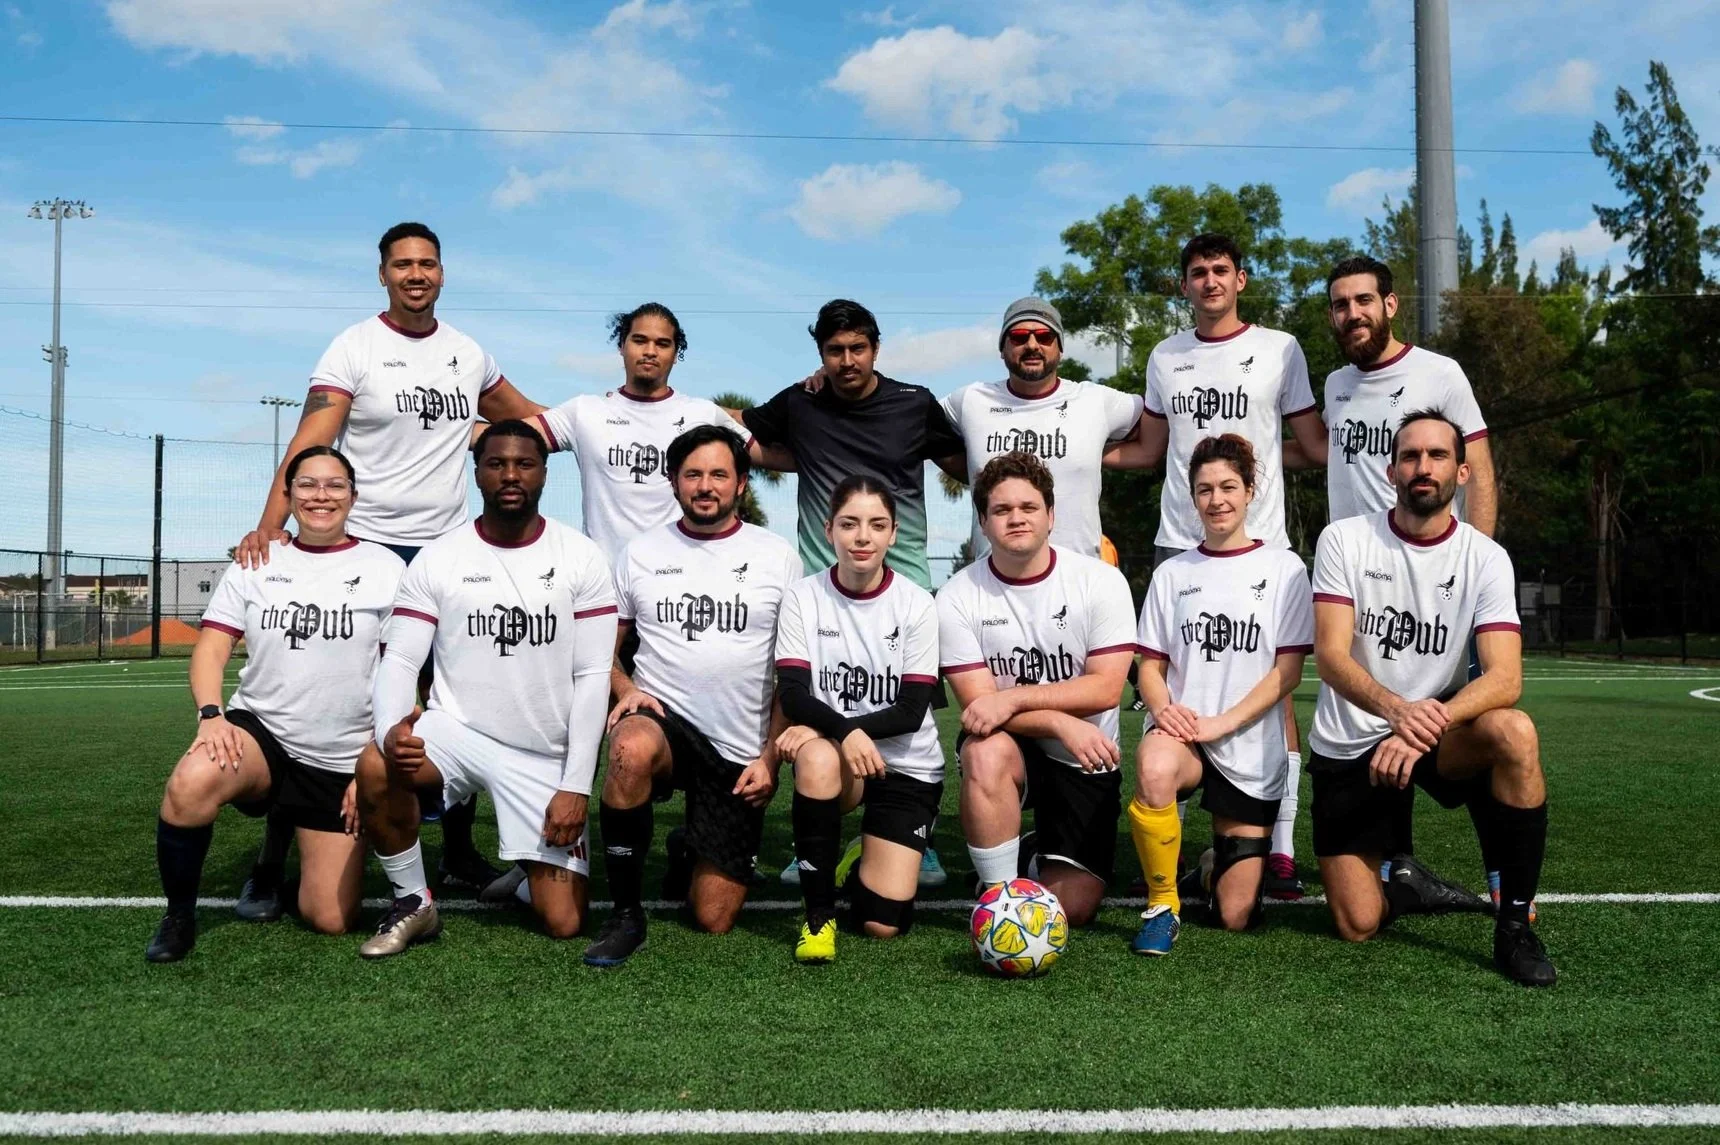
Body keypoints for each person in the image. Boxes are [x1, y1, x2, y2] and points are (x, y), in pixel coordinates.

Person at [230, 222, 548, 914]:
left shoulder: (468, 354)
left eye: (426, 263)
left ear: (443, 272)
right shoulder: (355, 346)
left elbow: (528, 421)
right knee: (326, 701)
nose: (415, 274)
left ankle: (457, 852)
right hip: (366, 549)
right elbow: (311, 438)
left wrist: (631, 424)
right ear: (382, 275)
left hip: (445, 554)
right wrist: (271, 522)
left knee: (455, 699)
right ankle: (271, 857)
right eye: (401, 264)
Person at [1108, 233, 1327, 900]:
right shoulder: (1165, 356)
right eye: (1197, 272)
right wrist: (1074, 460)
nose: (1209, 281)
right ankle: (1165, 844)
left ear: (1241, 279)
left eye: (1220, 270)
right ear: (1183, 285)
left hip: (1263, 544)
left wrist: (1249, 472)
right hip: (1181, 540)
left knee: (1275, 691)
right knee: (1166, 688)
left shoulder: (1280, 349)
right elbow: (1148, 449)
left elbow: (1314, 445)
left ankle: (1281, 845)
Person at [1307, 410, 1554, 987]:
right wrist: (1397, 711)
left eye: (1438, 456)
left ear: (1461, 472)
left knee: (1513, 731)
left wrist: (1419, 725)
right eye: (1411, 456)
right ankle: (1406, 884)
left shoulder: (1485, 556)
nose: (1423, 467)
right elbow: (1333, 657)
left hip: (1434, 737)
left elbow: (1504, 678)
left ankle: (1514, 923)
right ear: (1391, 469)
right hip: (1353, 741)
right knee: (1357, 923)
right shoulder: (1344, 538)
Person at [355, 421, 617, 957]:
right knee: (376, 763)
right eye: (496, 464)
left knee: (564, 921)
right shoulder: (440, 556)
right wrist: (389, 730)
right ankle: (413, 901)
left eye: (524, 463)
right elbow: (401, 655)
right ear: (477, 473)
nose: (511, 475)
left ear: (545, 472)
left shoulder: (582, 556)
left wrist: (576, 785)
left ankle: (527, 876)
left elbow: (592, 676)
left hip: (542, 751)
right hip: (457, 731)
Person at [146, 447, 405, 962]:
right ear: (287, 497)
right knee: (191, 780)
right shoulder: (256, 561)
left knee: (330, 920)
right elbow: (213, 647)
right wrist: (210, 715)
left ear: (354, 496)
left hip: (338, 753)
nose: (320, 496)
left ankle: (274, 861)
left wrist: (371, 764)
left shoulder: (386, 567)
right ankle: (178, 915)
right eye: (306, 485)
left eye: (334, 485)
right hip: (262, 732)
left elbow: (402, 672)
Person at [739, 298, 965, 888]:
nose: (846, 361)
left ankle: (918, 830)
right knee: (816, 707)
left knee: (910, 713)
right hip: (825, 588)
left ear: (876, 348)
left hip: (905, 582)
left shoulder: (914, 404)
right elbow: (742, 435)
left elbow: (963, 462)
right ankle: (816, 835)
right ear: (820, 354)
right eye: (834, 351)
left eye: (857, 349)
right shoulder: (800, 402)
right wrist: (800, 454)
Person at [1320, 254, 1503, 913]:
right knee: (1372, 720)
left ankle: (1505, 884)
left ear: (1390, 305)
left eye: (1363, 300)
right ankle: (1398, 865)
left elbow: (1477, 470)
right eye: (1340, 304)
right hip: (1359, 583)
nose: (1352, 313)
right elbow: (1318, 452)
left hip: (1436, 581)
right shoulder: (1336, 385)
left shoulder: (1439, 374)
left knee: (1487, 729)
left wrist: (1477, 568)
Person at [584, 424, 803, 967]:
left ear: (742, 484)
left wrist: (769, 757)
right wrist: (626, 688)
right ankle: (626, 912)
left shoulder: (778, 557)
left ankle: (689, 848)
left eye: (719, 475)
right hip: (664, 723)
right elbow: (601, 649)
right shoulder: (639, 552)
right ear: (674, 482)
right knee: (630, 748)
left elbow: (791, 675)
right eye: (693, 474)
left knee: (715, 919)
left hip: (737, 747)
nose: (706, 486)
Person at [1129, 434, 1313, 955]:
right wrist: (1166, 713)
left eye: (1229, 486)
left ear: (1250, 491)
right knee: (1156, 766)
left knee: (1235, 915)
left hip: (1247, 741)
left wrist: (1222, 723)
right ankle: (1163, 905)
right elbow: (1150, 667)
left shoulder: (1283, 569)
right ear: (1192, 497)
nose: (1217, 499)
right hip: (1184, 736)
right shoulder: (1173, 573)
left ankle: (1212, 865)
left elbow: (1288, 672)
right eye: (1205, 489)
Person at [939, 451, 1136, 927]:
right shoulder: (958, 595)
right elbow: (978, 708)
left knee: (1075, 910)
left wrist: (1016, 697)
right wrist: (1053, 719)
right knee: (984, 750)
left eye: (1028, 508)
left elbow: (1107, 688)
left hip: (1083, 759)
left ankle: (1029, 851)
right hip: (1015, 746)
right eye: (1002, 510)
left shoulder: (1100, 581)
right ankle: (998, 898)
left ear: (1051, 515)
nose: (1016, 519)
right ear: (983, 522)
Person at [773, 476, 944, 963]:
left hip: (907, 766)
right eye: (849, 524)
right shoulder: (803, 597)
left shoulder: (916, 603)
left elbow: (912, 713)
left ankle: (855, 861)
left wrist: (836, 727)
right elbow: (791, 694)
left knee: (881, 924)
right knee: (818, 758)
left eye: (876, 525)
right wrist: (840, 735)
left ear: (893, 534)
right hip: (841, 763)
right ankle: (817, 918)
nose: (862, 536)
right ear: (829, 530)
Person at [531, 303, 734, 569]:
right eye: (640, 340)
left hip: (673, 586)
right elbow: (505, 438)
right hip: (603, 587)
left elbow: (774, 452)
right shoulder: (585, 411)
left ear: (676, 354)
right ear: (622, 346)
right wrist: (458, 420)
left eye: (662, 344)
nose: (650, 351)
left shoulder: (703, 413)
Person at [940, 297, 1142, 559]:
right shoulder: (970, 400)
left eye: (1045, 336)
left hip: (1077, 577)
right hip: (993, 580)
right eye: (1019, 336)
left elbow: (1152, 441)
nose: (1032, 345)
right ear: (1002, 348)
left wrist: (1092, 453)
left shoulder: (1095, 401)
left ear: (1060, 348)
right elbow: (922, 433)